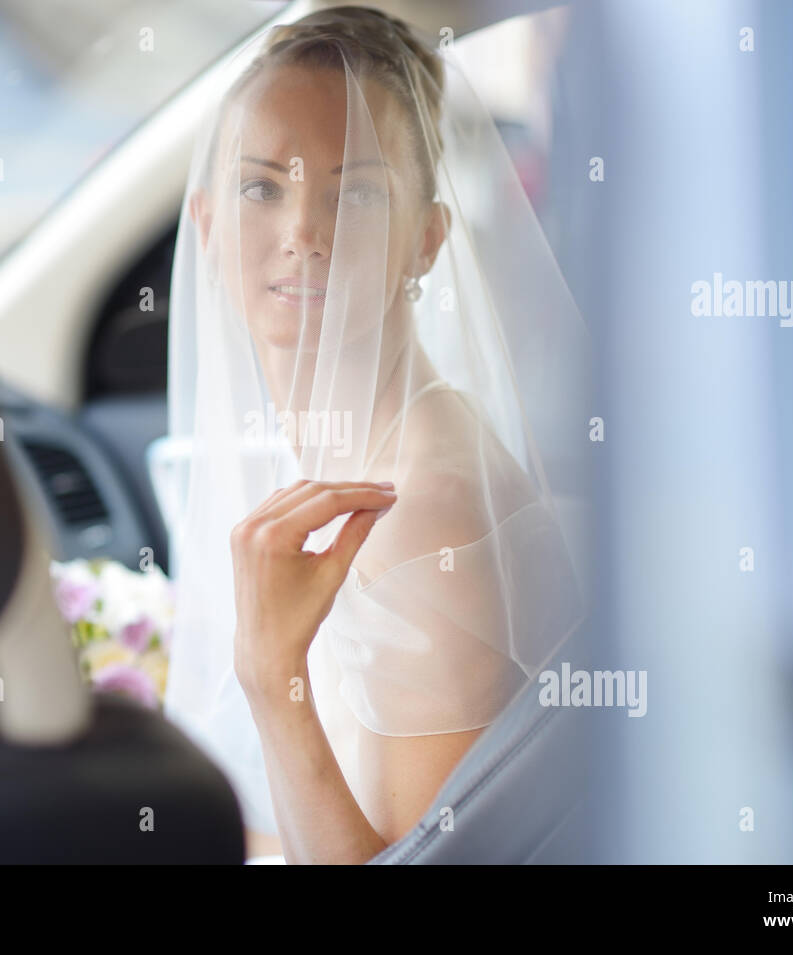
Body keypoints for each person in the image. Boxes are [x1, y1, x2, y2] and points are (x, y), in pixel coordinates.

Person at [161, 5, 590, 864]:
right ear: (207, 226)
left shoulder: (424, 522)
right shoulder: (351, 448)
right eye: (262, 187)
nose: (303, 235)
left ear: (425, 241)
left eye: (353, 192)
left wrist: (269, 676)